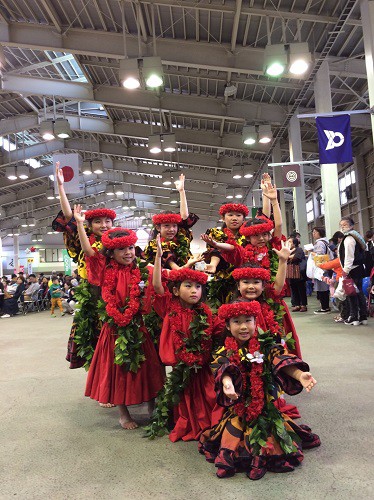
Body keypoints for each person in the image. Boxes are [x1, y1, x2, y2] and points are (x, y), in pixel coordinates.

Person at [198, 299, 320, 480]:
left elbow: (280, 360)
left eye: (248, 320)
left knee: (271, 437)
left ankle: (262, 455)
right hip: (239, 408)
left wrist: (299, 375)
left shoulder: (266, 345)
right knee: (232, 438)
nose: (243, 327)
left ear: (256, 322)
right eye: (236, 322)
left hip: (265, 407)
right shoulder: (225, 351)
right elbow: (223, 369)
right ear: (227, 326)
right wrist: (227, 384)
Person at [74, 205, 164, 429]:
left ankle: (152, 404)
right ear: (111, 253)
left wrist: (161, 258)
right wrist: (78, 224)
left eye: (131, 248)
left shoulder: (142, 269)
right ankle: (123, 413)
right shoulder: (104, 270)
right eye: (122, 249)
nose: (128, 253)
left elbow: (161, 281)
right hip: (113, 328)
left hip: (138, 325)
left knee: (147, 366)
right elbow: (88, 252)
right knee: (118, 370)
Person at [145, 234, 224, 441]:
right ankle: (187, 421)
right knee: (184, 393)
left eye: (197, 287)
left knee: (207, 393)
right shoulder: (169, 308)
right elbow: (157, 287)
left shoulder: (205, 312)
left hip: (203, 364)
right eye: (187, 286)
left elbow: (218, 330)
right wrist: (158, 258)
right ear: (176, 291)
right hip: (181, 365)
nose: (194, 291)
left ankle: (208, 421)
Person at [52, 160, 116, 369]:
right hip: (92, 294)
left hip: (115, 294)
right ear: (89, 225)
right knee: (93, 340)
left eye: (108, 222)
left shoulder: (119, 242)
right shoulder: (83, 238)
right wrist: (61, 187)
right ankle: (98, 383)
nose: (104, 225)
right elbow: (69, 217)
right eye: (98, 222)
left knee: (118, 341)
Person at [144, 173, 199, 270]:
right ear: (158, 227)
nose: (171, 229)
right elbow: (177, 270)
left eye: (174, 225)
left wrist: (182, 191)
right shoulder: (156, 245)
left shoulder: (181, 236)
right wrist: (189, 265)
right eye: (166, 226)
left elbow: (185, 217)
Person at [338, 217, 368, 326]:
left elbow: (349, 256)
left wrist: (345, 270)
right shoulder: (355, 236)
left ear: (351, 226)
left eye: (345, 224)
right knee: (358, 292)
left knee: (352, 293)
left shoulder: (349, 239)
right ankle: (362, 316)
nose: (342, 226)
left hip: (352, 269)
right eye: (341, 225)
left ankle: (354, 316)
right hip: (357, 268)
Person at [311, 227, 332, 314]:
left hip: (321, 268)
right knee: (324, 287)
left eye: (315, 232)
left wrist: (312, 253)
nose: (313, 234)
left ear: (320, 233)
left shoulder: (319, 243)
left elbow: (320, 255)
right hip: (325, 267)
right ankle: (325, 306)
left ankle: (325, 307)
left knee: (322, 287)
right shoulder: (325, 242)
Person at [287, 238, 307, 312]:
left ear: (294, 243)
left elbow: (296, 257)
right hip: (290, 271)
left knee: (301, 289)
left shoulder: (299, 249)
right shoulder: (287, 250)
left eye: (290, 242)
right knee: (294, 289)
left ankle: (303, 305)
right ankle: (297, 304)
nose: (288, 243)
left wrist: (288, 257)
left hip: (298, 272)